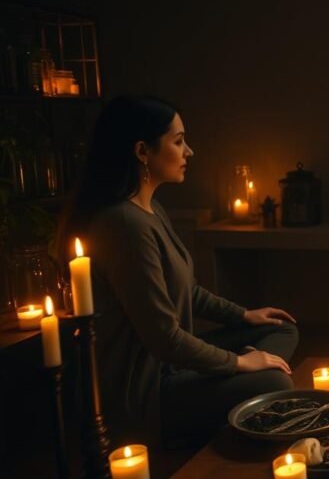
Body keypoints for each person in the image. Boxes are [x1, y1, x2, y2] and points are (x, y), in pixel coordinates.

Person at [63, 95, 300, 445]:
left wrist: (244, 315)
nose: (189, 151)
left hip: (178, 365)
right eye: (178, 142)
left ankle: (231, 385)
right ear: (142, 151)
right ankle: (230, 389)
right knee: (274, 381)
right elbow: (165, 339)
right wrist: (240, 363)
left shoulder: (150, 210)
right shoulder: (124, 225)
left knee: (281, 328)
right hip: (150, 391)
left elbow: (188, 291)